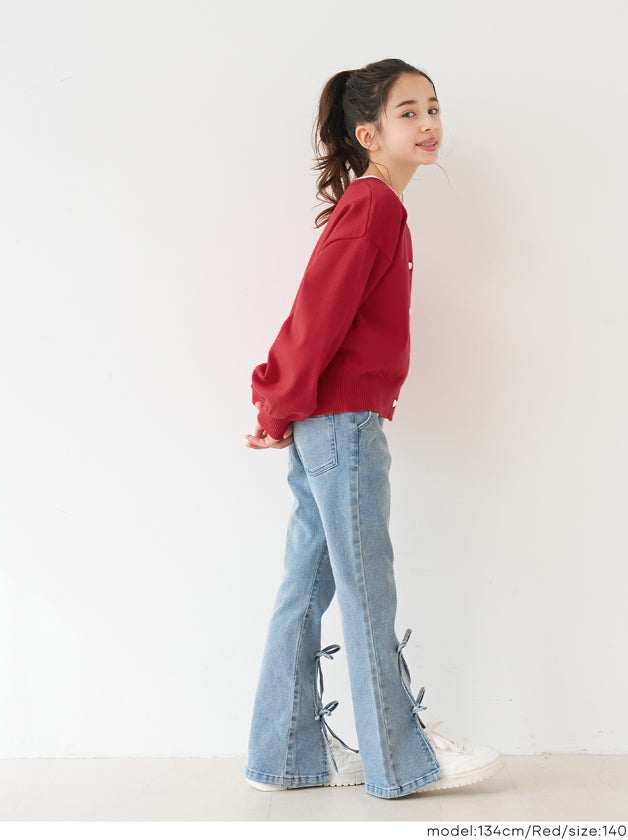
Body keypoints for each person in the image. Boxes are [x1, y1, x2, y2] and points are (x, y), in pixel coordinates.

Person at [243, 58, 504, 800]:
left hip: (326, 421)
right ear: (369, 134)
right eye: (407, 112)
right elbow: (317, 314)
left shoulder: (373, 207)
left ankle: (283, 757)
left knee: (308, 586)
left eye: (433, 108)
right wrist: (276, 402)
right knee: (366, 589)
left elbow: (318, 313)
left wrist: (282, 407)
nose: (427, 124)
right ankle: (401, 761)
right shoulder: (375, 205)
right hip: (343, 424)